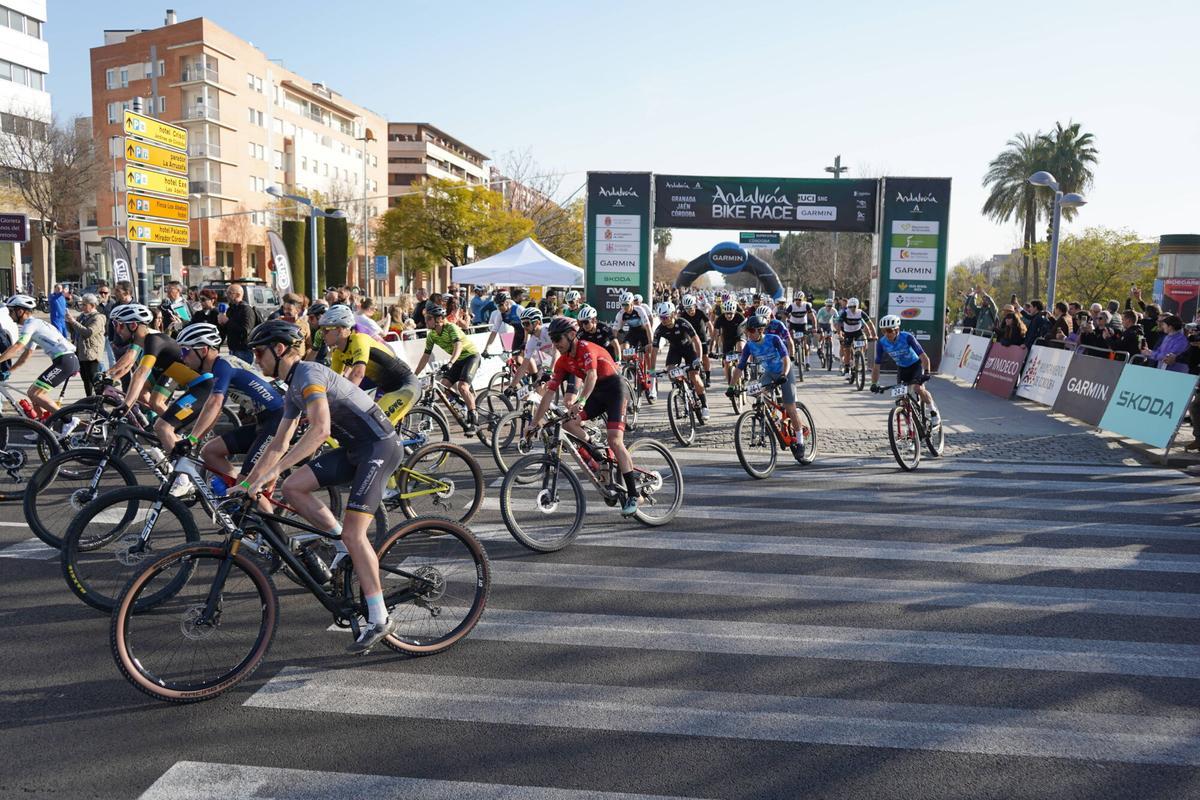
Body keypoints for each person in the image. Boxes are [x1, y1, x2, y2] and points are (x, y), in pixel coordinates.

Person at [234, 320, 403, 652]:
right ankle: (342, 545)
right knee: (293, 488)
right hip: (355, 450)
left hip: (380, 447)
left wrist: (275, 471)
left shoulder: (309, 375)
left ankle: (379, 617)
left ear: (279, 349)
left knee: (357, 534)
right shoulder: (292, 387)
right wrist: (250, 482)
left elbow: (321, 430)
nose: (256, 360)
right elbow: (278, 443)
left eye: (259, 352)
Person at [526, 316, 640, 516]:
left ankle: (633, 494)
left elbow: (592, 376)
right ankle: (596, 450)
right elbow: (549, 393)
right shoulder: (562, 361)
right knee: (568, 424)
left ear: (571, 335)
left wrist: (581, 402)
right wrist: (534, 423)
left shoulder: (585, 348)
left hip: (615, 389)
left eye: (558, 339)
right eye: (552, 340)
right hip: (596, 393)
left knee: (615, 440)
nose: (555, 344)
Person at [105, 303, 216, 494]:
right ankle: (174, 435)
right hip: (180, 379)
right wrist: (109, 375)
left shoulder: (154, 340)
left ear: (132, 325)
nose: (116, 329)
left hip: (198, 385)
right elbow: (130, 360)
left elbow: (140, 373)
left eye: (119, 325)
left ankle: (183, 479)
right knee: (149, 402)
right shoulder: (142, 340)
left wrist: (126, 405)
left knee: (160, 418)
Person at [174, 323, 285, 492]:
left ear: (203, 350)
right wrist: (196, 440)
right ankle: (236, 496)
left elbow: (215, 403)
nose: (182, 357)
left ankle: (254, 507)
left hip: (277, 420)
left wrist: (192, 439)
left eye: (185, 351)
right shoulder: (220, 367)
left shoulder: (222, 366)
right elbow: (215, 410)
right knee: (210, 451)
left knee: (247, 485)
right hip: (265, 420)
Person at [319, 305, 419, 426]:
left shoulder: (359, 340)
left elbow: (358, 373)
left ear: (340, 329)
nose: (322, 333)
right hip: (387, 389)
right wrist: (318, 403)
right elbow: (333, 385)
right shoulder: (338, 353)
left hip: (406, 386)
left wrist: (338, 403)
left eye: (326, 329)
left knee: (375, 426)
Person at [729, 314, 807, 460]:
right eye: (747, 331)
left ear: (760, 330)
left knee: (790, 407)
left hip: (785, 372)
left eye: (751, 331)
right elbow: (739, 367)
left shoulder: (774, 339)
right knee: (758, 393)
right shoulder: (749, 346)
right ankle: (773, 419)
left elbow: (786, 358)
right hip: (770, 373)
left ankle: (800, 441)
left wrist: (784, 374)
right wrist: (731, 387)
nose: (748, 334)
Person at [0, 294, 80, 415]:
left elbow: (18, 346)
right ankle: (43, 427)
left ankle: (68, 420)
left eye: (11, 311)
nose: (9, 315)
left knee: (35, 393)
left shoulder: (31, 325)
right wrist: (10, 371)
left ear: (20, 311)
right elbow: (26, 355)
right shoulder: (34, 325)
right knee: (33, 394)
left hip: (65, 360)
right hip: (64, 360)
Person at [413, 304, 481, 431]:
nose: (426, 321)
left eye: (429, 318)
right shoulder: (432, 335)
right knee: (443, 385)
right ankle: (462, 405)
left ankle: (474, 420)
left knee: (462, 387)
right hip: (458, 360)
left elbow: (458, 346)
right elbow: (425, 356)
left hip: (471, 356)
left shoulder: (451, 328)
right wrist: (415, 374)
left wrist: (450, 362)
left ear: (438, 319)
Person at [870, 315, 940, 422]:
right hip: (902, 369)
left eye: (889, 330)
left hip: (915, 365)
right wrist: (874, 383)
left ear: (897, 329)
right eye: (883, 331)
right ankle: (910, 425)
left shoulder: (907, 337)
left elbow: (924, 357)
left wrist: (926, 372)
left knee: (918, 388)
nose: (886, 334)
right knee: (899, 397)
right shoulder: (882, 343)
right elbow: (877, 365)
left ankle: (933, 411)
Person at [648, 301, 709, 421]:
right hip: (675, 350)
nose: (663, 320)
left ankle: (705, 405)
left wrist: (699, 358)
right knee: (671, 372)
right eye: (661, 318)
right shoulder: (660, 329)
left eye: (665, 317)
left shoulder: (683, 323)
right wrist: (652, 370)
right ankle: (681, 390)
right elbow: (654, 351)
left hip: (689, 349)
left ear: (673, 315)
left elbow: (696, 340)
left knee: (694, 377)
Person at [65, 293, 106, 397]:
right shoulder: (82, 316)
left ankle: (100, 399)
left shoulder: (98, 318)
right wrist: (68, 322)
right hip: (81, 352)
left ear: (92, 305)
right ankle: (89, 400)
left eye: (84, 304)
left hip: (91, 353)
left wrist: (73, 322)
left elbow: (88, 332)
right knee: (85, 379)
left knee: (94, 379)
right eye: (82, 304)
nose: (82, 306)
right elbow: (74, 331)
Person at [679, 294, 714, 387]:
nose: (689, 311)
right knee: (690, 360)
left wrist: (711, 336)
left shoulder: (700, 312)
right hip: (690, 339)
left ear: (694, 305)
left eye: (691, 308)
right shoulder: (683, 316)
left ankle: (708, 377)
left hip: (702, 338)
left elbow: (709, 325)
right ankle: (692, 378)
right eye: (687, 309)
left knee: (705, 357)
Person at [219, 283, 257, 362]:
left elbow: (246, 330)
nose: (227, 295)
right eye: (227, 293)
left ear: (238, 295)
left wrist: (228, 321)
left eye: (229, 293)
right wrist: (222, 323)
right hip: (232, 349)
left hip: (243, 351)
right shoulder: (231, 309)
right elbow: (229, 330)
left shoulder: (246, 310)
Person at [713, 297, 746, 385]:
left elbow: (747, 331)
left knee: (741, 348)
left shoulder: (740, 316)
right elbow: (715, 335)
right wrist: (711, 350)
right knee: (726, 362)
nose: (729, 316)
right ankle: (730, 385)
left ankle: (745, 371)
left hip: (739, 336)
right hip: (728, 338)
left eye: (731, 313)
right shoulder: (720, 319)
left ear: (735, 311)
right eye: (727, 314)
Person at [836, 297, 873, 375]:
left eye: (854, 307)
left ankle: (859, 358)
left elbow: (869, 324)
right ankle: (846, 368)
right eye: (850, 307)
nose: (852, 308)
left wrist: (874, 335)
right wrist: (839, 334)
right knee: (847, 350)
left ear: (857, 306)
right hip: (848, 332)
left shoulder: (861, 312)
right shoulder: (845, 313)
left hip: (857, 332)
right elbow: (839, 324)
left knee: (863, 343)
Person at [784, 291, 817, 371]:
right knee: (792, 340)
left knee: (805, 343)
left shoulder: (806, 305)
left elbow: (812, 317)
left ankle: (807, 362)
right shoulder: (792, 306)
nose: (798, 301)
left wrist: (814, 327)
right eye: (796, 299)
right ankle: (794, 354)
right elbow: (784, 316)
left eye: (800, 299)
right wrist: (785, 324)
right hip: (793, 324)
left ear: (803, 299)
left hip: (803, 325)